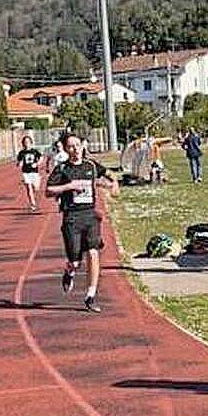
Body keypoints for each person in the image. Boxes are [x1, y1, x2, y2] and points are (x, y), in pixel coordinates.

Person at [46, 133, 119, 313]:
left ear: (82, 146)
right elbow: (48, 191)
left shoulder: (91, 165)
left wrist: (114, 183)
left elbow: (108, 174)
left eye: (78, 145)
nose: (75, 149)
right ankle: (69, 271)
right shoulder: (62, 169)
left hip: (90, 216)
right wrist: (69, 187)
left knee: (93, 252)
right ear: (65, 149)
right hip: (72, 217)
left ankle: (90, 295)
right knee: (75, 261)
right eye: (71, 146)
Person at [16, 135, 42, 212]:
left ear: (31, 143)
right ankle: (32, 204)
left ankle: (34, 200)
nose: (26, 143)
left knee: (36, 188)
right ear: (23, 144)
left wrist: (37, 164)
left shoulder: (34, 151)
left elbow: (41, 158)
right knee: (28, 188)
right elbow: (19, 162)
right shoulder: (21, 153)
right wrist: (19, 164)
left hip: (34, 172)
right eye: (25, 142)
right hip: (26, 172)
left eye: (28, 142)